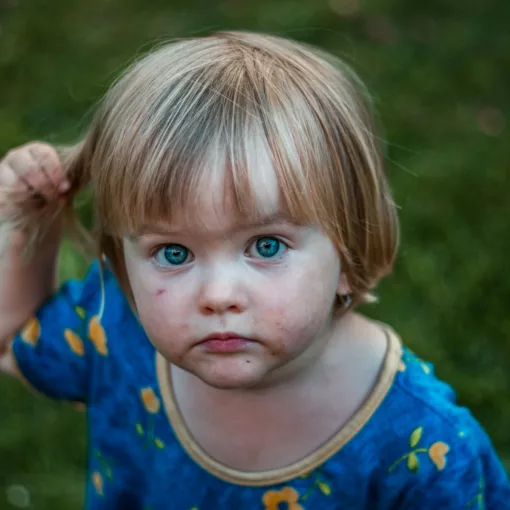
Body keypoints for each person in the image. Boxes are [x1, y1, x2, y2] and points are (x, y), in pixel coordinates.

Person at [0, 31, 508, 510]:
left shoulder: (424, 452)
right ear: (121, 264)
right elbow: (16, 343)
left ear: (350, 253)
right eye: (173, 253)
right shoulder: (117, 328)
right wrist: (29, 226)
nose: (218, 295)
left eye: (266, 245)